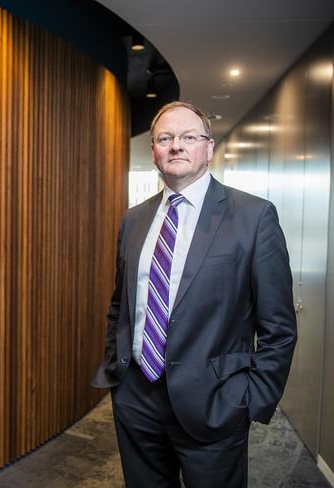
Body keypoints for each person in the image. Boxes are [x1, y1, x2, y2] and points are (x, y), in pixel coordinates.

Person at [92, 101, 297, 487]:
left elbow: (278, 327)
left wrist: (250, 399)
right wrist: (117, 371)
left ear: (209, 147)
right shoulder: (133, 218)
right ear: (153, 151)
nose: (176, 146)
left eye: (189, 137)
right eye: (165, 138)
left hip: (216, 404)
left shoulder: (253, 217)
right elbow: (121, 304)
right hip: (136, 400)